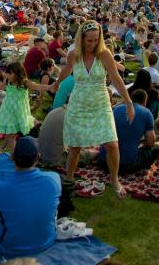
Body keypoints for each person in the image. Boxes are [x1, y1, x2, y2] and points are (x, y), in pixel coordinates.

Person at [57, 20, 134, 198]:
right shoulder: (73, 55)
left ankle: (114, 179)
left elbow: (116, 78)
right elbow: (65, 72)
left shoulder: (104, 55)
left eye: (95, 40)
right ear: (81, 39)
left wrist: (128, 102)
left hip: (100, 102)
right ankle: (69, 180)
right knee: (75, 146)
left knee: (112, 144)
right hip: (79, 103)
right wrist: (56, 84)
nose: (92, 44)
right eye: (89, 40)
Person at [0, 136, 61, 260]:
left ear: (12, 156)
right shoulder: (54, 179)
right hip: (47, 240)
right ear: (38, 157)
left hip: (9, 248)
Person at [98, 89, 159, 174]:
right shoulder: (146, 113)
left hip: (103, 161)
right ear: (145, 102)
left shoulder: (116, 109)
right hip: (125, 166)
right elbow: (151, 143)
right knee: (157, 147)